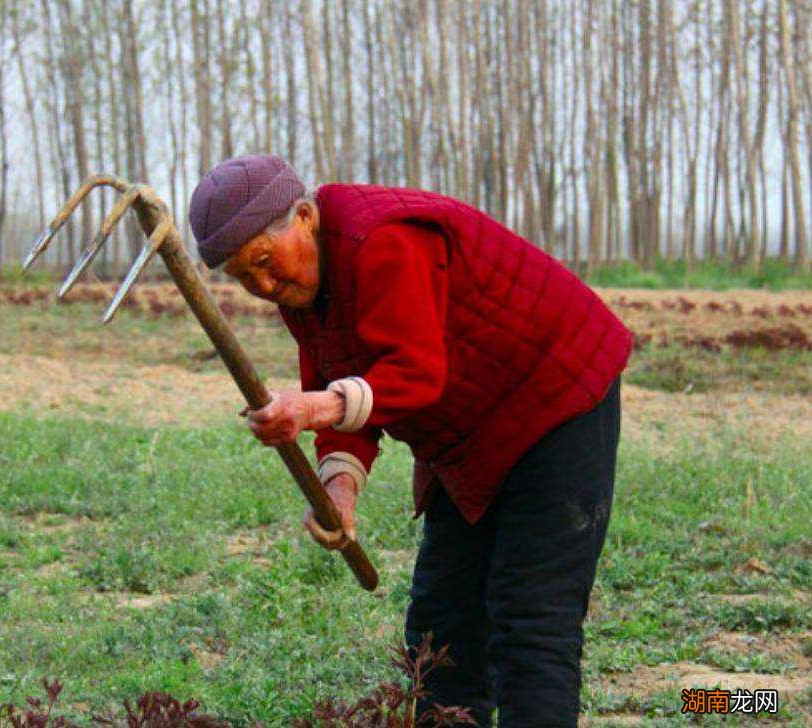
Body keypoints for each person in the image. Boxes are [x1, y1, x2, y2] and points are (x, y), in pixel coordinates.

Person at [189, 154, 632, 727]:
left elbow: (415, 374)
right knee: (442, 623)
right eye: (244, 277)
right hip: (466, 431)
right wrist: (339, 488)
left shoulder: (383, 241)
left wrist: (313, 408)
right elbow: (341, 382)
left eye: (265, 262)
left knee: (530, 617)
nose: (264, 286)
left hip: (555, 395)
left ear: (304, 217)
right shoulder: (304, 290)